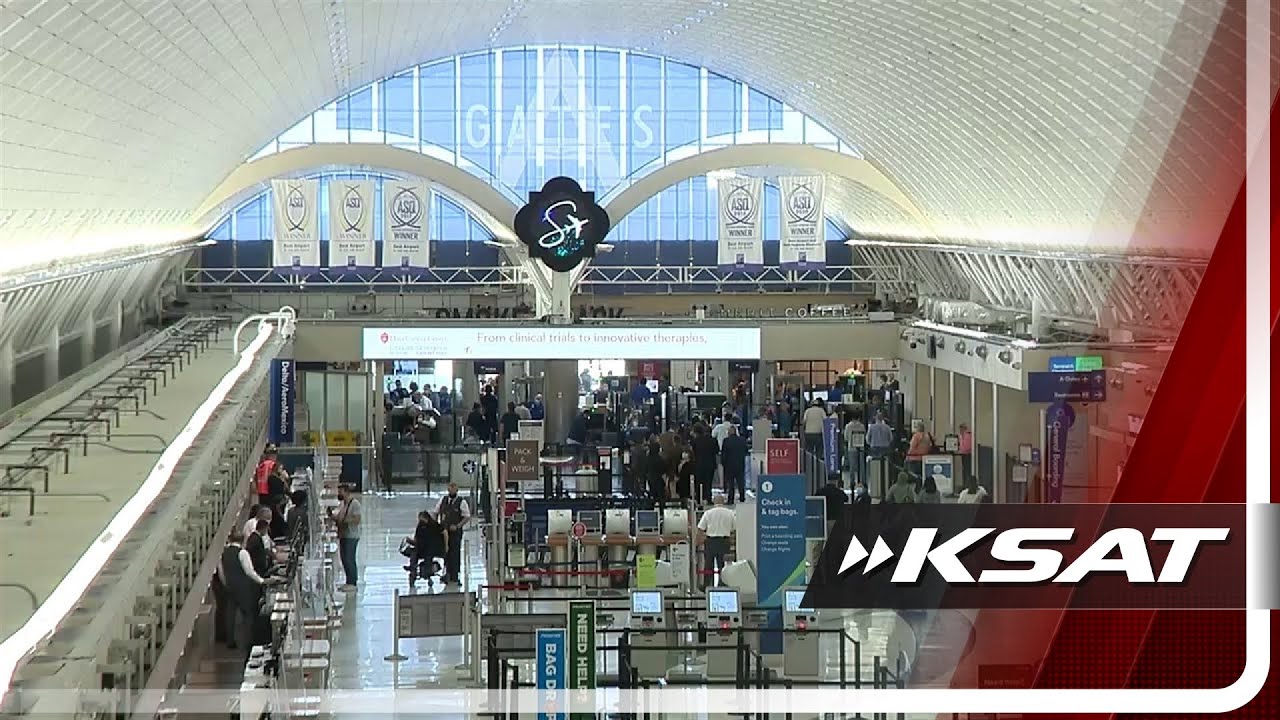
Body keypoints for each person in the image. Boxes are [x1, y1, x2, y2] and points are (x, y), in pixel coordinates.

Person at [219, 527, 267, 659]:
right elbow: (249, 571)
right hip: (243, 586)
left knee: (230, 614)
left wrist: (226, 584)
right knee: (247, 614)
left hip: (230, 586)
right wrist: (262, 581)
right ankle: (248, 641)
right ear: (242, 540)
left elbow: (221, 572)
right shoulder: (242, 553)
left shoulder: (223, 553)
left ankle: (230, 641)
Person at [697, 493, 736, 588]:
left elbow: (700, 528)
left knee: (708, 564)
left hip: (710, 542)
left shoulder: (708, 513)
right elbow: (734, 528)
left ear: (714, 502)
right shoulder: (730, 513)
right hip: (724, 541)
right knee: (722, 565)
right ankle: (723, 584)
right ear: (724, 502)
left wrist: (699, 540)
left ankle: (707, 585)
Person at [435, 482, 471, 585]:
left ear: (457, 490)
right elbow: (435, 512)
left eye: (454, 488)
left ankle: (455, 575)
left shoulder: (461, 502)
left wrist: (458, 526)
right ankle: (447, 573)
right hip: (443, 532)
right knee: (445, 552)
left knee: (455, 553)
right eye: (450, 488)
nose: (451, 490)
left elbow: (467, 516)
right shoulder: (443, 500)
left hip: (455, 533)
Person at [330, 484, 362, 589]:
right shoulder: (343, 504)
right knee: (344, 558)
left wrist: (345, 521)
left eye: (340, 492)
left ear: (346, 492)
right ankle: (348, 580)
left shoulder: (355, 504)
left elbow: (357, 519)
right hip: (343, 534)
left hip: (351, 535)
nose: (338, 494)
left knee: (349, 558)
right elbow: (340, 517)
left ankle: (353, 582)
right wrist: (332, 516)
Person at [406, 510, 446, 587]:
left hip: (431, 548)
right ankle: (412, 568)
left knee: (428, 556)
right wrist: (411, 541)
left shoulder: (434, 525)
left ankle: (427, 574)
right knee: (413, 554)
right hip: (420, 547)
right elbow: (416, 538)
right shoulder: (420, 526)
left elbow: (444, 532)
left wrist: (445, 545)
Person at [720, 424, 749, 503]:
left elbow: (724, 454)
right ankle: (742, 497)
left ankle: (730, 499)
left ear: (729, 432)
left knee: (731, 483)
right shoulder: (742, 440)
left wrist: (723, 463)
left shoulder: (726, 441)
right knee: (740, 482)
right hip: (740, 464)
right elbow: (746, 451)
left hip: (729, 465)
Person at [691, 424, 719, 505]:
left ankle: (699, 498)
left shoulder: (696, 441)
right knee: (708, 483)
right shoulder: (713, 440)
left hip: (699, 464)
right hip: (710, 464)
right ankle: (708, 498)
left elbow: (694, 452)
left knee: (699, 482)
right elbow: (716, 451)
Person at [843, 412, 866, 484]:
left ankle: (852, 481)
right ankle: (863, 481)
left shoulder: (848, 426)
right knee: (862, 465)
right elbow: (864, 436)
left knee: (852, 466)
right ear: (859, 418)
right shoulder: (862, 426)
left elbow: (845, 438)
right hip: (861, 448)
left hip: (851, 448)